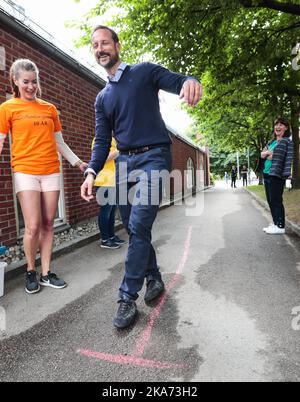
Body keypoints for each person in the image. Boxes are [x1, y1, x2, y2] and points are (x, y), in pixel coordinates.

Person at [81, 25, 202, 329]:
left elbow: (178, 81)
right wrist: (91, 171)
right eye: (95, 45)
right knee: (135, 229)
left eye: (105, 42)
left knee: (138, 223)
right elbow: (100, 139)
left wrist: (190, 81)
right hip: (124, 163)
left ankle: (126, 297)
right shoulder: (102, 99)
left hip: (154, 157)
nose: (100, 49)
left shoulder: (144, 72)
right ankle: (153, 277)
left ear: (117, 46)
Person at [0, 59, 87, 294]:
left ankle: (46, 272)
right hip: (25, 171)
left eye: (34, 81)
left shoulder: (49, 109)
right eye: (26, 82)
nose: (31, 86)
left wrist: (77, 163)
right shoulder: (8, 108)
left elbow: (59, 142)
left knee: (49, 224)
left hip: (50, 171)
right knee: (33, 226)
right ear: (16, 81)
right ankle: (30, 270)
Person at [261, 118, 293, 235]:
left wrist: (269, 154)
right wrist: (268, 154)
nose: (277, 127)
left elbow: (282, 157)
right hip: (267, 173)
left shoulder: (286, 142)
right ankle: (275, 223)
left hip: (276, 174)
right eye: (276, 125)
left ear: (286, 128)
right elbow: (262, 154)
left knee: (276, 200)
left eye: (281, 125)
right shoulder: (272, 142)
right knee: (270, 200)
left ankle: (280, 225)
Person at [93, 136, 126, 249]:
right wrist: (119, 150)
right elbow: (100, 159)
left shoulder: (113, 139)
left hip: (112, 180)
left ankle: (111, 237)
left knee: (112, 211)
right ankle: (105, 240)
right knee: (105, 211)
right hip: (103, 180)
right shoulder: (99, 139)